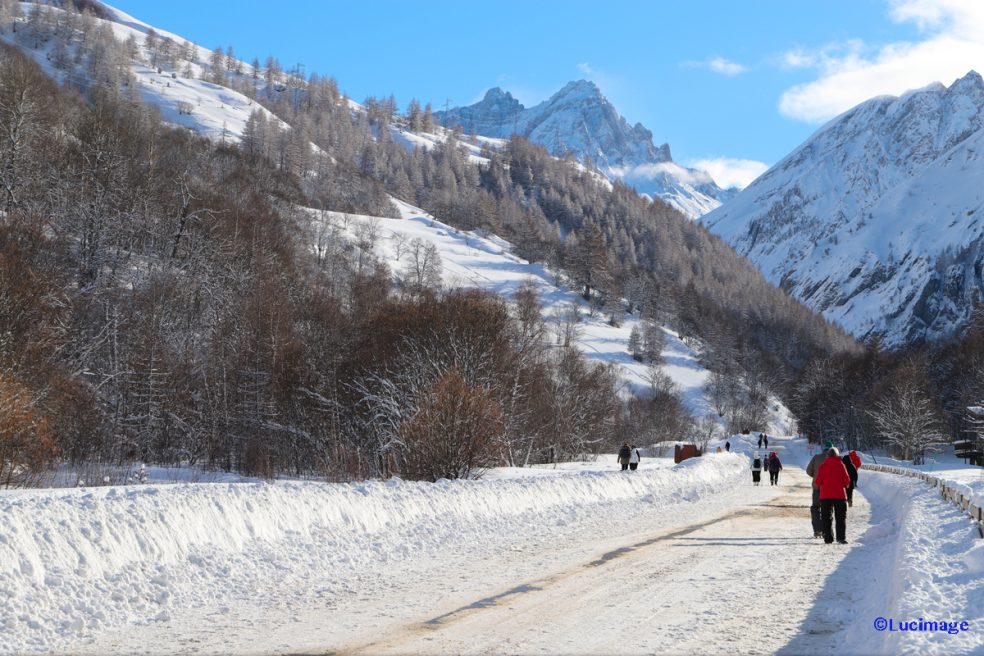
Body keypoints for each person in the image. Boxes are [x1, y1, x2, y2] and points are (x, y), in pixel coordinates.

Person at [815, 446, 851, 544]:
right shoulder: (841, 465)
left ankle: (828, 538)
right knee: (840, 517)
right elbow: (847, 482)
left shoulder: (823, 466)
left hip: (825, 496)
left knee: (826, 517)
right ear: (837, 455)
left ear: (827, 455)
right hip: (840, 495)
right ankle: (841, 538)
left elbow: (818, 482)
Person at [805, 441, 835, 538]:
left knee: (815, 508)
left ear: (823, 448)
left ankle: (817, 531)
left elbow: (808, 471)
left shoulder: (816, 457)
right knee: (828, 510)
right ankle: (828, 531)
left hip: (817, 488)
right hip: (830, 489)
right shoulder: (835, 459)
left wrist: (815, 475)